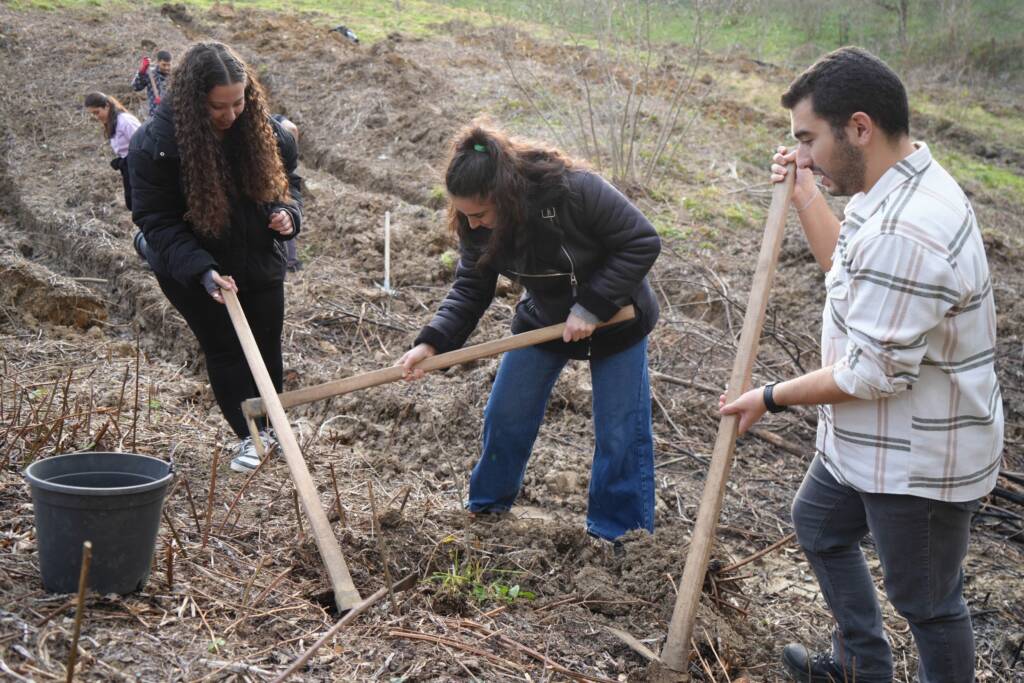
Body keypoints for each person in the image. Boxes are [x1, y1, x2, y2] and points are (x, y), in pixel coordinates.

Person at [720, 47, 1002, 683]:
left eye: (808, 139)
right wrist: (804, 196)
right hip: (867, 439)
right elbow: (843, 272)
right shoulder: (893, 189)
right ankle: (860, 666)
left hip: (917, 458)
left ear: (859, 127)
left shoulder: (908, 227)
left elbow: (870, 374)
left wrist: (769, 396)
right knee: (817, 524)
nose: (803, 154)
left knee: (927, 604)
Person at [398, 123, 661, 543]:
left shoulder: (575, 190)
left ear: (504, 195)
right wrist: (432, 341)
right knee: (506, 413)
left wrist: (591, 306)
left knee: (620, 431)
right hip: (543, 321)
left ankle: (618, 535)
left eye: (480, 214)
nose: (473, 223)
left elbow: (642, 241)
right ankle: (486, 509)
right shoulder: (475, 223)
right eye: (465, 215)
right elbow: (471, 286)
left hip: (617, 318)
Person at [128, 41, 303, 473]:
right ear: (192, 102)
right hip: (191, 265)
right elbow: (158, 220)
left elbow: (288, 183)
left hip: (258, 256)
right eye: (217, 107)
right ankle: (250, 438)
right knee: (226, 348)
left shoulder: (264, 130)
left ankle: (273, 429)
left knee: (265, 345)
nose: (231, 116)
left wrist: (287, 215)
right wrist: (203, 271)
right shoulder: (157, 146)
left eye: (238, 102)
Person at [84, 92, 141, 210]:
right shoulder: (112, 122)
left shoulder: (125, 121)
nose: (96, 117)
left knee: (140, 201)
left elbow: (143, 143)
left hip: (139, 165)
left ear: (107, 106)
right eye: (93, 114)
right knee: (132, 202)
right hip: (128, 166)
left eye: (97, 112)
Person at [272, 114, 303, 272]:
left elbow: (291, 129)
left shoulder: (271, 121)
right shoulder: (275, 120)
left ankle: (290, 261)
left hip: (275, 176)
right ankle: (291, 260)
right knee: (285, 215)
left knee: (282, 217)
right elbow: (292, 128)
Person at [132, 49, 172, 117]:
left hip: (171, 115)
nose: (166, 68)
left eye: (169, 65)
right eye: (164, 65)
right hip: (155, 115)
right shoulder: (150, 74)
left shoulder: (174, 75)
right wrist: (142, 72)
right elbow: (135, 87)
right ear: (158, 62)